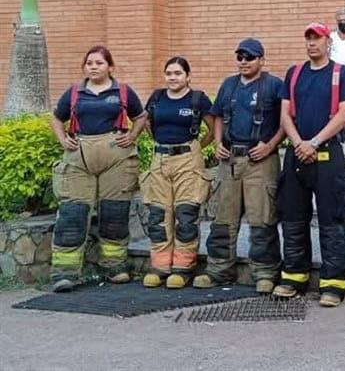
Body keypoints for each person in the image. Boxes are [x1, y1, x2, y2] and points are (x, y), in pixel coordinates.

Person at [274, 22, 345, 307]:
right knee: (293, 217)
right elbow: (285, 113)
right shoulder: (294, 73)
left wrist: (314, 142)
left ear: (328, 43)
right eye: (308, 38)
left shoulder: (341, 74)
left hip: (327, 156)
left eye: (317, 39)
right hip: (296, 155)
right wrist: (299, 142)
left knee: (332, 219)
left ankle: (333, 283)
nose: (312, 43)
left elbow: (343, 114)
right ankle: (294, 276)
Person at [49, 46, 147, 293]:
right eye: (89, 63)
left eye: (99, 63)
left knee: (115, 212)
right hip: (79, 157)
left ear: (110, 67)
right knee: (72, 212)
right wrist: (63, 139)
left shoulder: (123, 92)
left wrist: (133, 136)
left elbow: (141, 116)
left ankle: (114, 266)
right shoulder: (73, 93)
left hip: (117, 156)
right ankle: (65, 272)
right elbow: (56, 118)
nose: (93, 66)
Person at [193, 39, 284, 294]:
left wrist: (270, 145)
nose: (244, 61)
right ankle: (218, 270)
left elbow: (287, 119)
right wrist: (218, 143)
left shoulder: (274, 85)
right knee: (223, 217)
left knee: (262, 218)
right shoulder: (228, 84)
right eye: (240, 57)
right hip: (229, 159)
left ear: (262, 60)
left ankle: (265, 273)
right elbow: (219, 115)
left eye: (250, 57)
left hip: (262, 160)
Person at [140, 57, 214, 289]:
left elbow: (214, 129)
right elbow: (147, 125)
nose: (173, 78)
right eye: (169, 73)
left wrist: (194, 149)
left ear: (188, 76)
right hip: (160, 160)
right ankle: (160, 267)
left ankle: (183, 268)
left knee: (186, 214)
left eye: (178, 73)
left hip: (188, 161)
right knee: (158, 215)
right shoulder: (157, 97)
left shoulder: (197, 99)